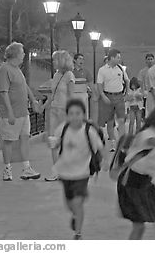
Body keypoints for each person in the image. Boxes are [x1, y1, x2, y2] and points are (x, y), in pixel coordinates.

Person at [117, 104, 155, 239]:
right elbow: (151, 141)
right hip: (130, 182)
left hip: (145, 182)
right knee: (139, 226)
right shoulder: (147, 134)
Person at [48, 98, 104, 240]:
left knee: (78, 203)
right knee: (69, 204)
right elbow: (54, 145)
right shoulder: (62, 128)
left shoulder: (89, 131)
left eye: (78, 113)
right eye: (71, 113)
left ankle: (78, 234)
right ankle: (75, 215)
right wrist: (56, 164)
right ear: (67, 115)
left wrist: (105, 163)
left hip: (82, 173)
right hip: (65, 172)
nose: (74, 116)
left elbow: (100, 148)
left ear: (83, 115)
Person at [0, 42, 42, 181]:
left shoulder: (17, 69)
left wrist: (33, 100)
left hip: (23, 112)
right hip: (11, 113)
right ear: (15, 54)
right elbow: (3, 93)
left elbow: (24, 86)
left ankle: (26, 168)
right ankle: (7, 170)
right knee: (8, 141)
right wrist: (10, 112)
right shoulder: (5, 69)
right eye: (22, 52)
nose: (24, 54)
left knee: (24, 138)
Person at [44, 50, 76, 182]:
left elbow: (71, 96)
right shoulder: (56, 75)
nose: (53, 62)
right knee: (53, 141)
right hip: (54, 111)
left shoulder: (69, 76)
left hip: (64, 111)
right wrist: (43, 106)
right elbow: (52, 94)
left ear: (62, 61)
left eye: (55, 60)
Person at [97, 49, 129, 151]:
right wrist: (103, 96)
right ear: (112, 58)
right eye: (118, 57)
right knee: (110, 121)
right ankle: (113, 143)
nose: (119, 59)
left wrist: (127, 93)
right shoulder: (102, 70)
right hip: (108, 96)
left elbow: (127, 80)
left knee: (121, 120)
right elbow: (99, 84)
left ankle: (123, 143)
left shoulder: (120, 69)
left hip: (119, 96)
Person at [73, 53, 93, 118]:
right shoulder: (70, 72)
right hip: (72, 96)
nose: (81, 61)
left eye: (83, 59)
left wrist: (90, 91)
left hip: (83, 96)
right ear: (75, 60)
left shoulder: (86, 71)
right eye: (80, 59)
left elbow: (90, 84)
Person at [137, 53, 155, 119]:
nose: (150, 61)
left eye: (151, 59)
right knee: (146, 112)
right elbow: (140, 82)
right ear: (146, 61)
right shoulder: (142, 72)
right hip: (146, 94)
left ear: (154, 60)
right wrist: (143, 91)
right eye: (148, 59)